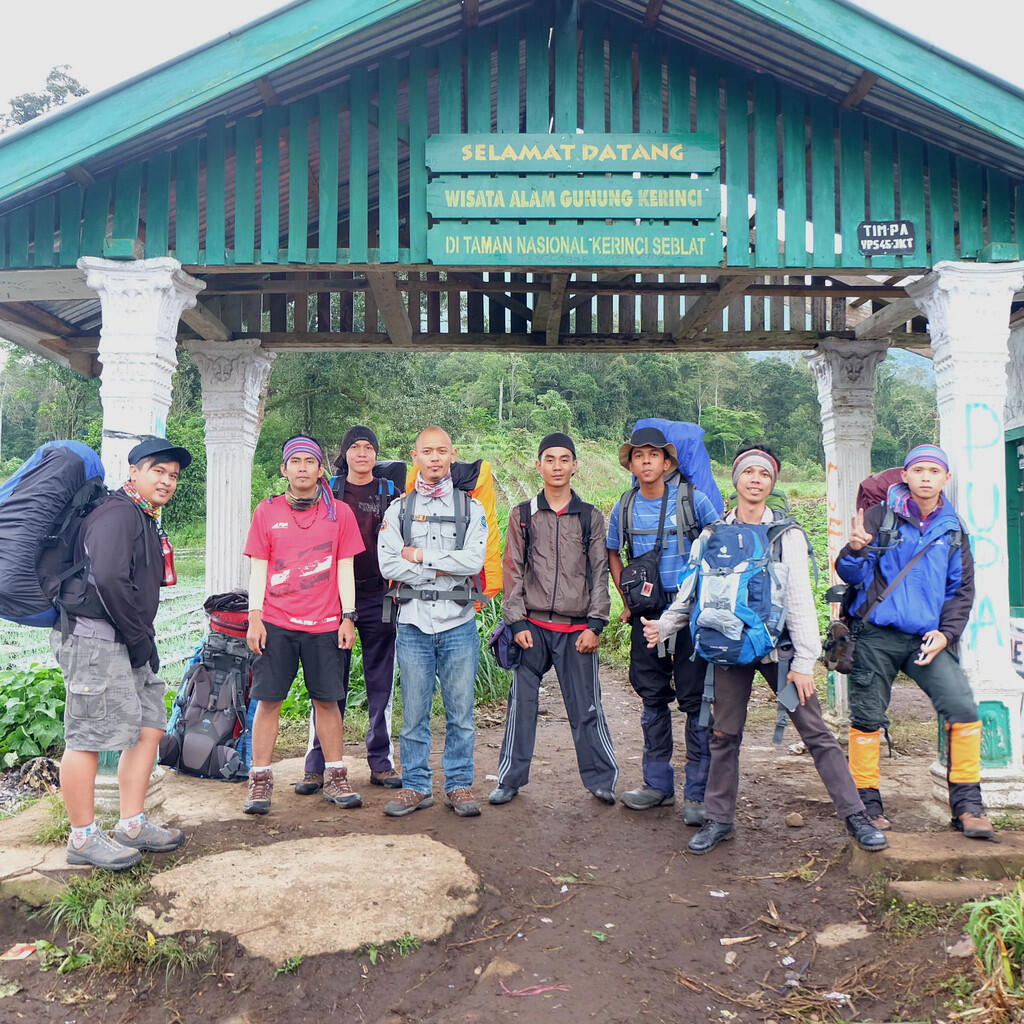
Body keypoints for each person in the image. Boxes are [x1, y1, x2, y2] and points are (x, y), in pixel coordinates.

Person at [643, 444, 887, 855]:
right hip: (729, 648)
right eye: (749, 472)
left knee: (816, 734)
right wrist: (664, 625)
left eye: (764, 475)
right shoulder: (712, 533)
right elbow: (692, 591)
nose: (756, 480)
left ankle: (856, 817)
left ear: (772, 483)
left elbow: (798, 600)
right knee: (723, 734)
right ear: (736, 478)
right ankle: (719, 820)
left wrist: (806, 661)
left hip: (782, 652)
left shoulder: (784, 535)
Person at [837, 443, 992, 839]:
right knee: (868, 719)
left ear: (945, 479)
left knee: (962, 707)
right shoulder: (878, 517)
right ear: (904, 476)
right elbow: (853, 577)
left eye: (934, 471)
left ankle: (968, 806)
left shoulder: (953, 529)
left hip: (927, 639)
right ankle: (866, 804)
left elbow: (961, 591)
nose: (926, 477)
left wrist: (947, 633)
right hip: (875, 636)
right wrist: (853, 550)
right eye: (918, 470)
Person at [53, 436, 193, 870]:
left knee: (150, 726)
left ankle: (131, 824)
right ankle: (82, 837)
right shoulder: (117, 513)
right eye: (158, 471)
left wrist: (139, 640)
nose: (167, 481)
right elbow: (109, 579)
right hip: (96, 639)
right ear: (133, 471)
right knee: (87, 736)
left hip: (129, 637)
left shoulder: (143, 516)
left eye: (172, 475)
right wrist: (138, 639)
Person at [490, 432, 618, 807]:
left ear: (575, 465)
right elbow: (512, 570)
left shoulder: (590, 516)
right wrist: (515, 623)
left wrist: (596, 625)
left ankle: (601, 779)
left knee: (586, 707)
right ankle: (510, 779)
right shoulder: (523, 515)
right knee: (520, 706)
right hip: (532, 630)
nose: (557, 466)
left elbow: (599, 572)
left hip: (577, 630)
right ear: (538, 465)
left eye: (565, 459)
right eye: (550, 459)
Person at [243, 435, 365, 815]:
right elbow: (258, 568)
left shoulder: (339, 513)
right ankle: (260, 780)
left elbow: (345, 568)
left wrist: (349, 616)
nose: (301, 468)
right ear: (284, 469)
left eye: (309, 461)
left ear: (320, 469)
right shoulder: (266, 512)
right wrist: (255, 617)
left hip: (325, 624)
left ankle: (335, 775)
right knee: (269, 701)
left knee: (327, 701)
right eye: (294, 461)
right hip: (276, 623)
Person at [606, 426, 719, 822]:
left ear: (667, 462)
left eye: (654, 455)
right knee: (652, 697)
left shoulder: (694, 501)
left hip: (689, 615)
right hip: (647, 615)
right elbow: (613, 553)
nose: (647, 461)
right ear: (632, 464)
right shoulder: (625, 505)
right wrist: (628, 601)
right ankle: (657, 785)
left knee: (694, 702)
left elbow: (718, 543)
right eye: (639, 456)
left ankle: (698, 794)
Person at [377, 426, 488, 817]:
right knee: (414, 712)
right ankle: (416, 786)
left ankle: (458, 785)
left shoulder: (471, 508)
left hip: (458, 623)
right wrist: (444, 567)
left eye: (442, 451)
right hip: (413, 623)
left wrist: (420, 557)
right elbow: (387, 562)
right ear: (415, 456)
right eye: (428, 451)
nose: (436, 458)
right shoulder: (399, 509)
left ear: (453, 454)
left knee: (461, 712)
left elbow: (473, 562)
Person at [295, 426, 402, 795]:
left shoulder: (390, 492)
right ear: (345, 454)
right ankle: (318, 763)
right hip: (332, 597)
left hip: (380, 596)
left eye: (368, 447)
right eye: (354, 447)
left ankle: (381, 762)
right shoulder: (329, 491)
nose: (361, 453)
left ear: (376, 454)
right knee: (327, 683)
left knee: (380, 683)